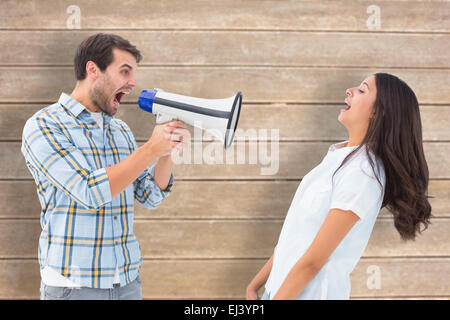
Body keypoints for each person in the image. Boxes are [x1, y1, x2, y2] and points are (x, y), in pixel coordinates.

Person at [21, 33, 190, 300]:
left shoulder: (120, 130)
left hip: (127, 285)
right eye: (125, 71)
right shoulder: (44, 125)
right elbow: (89, 191)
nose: (133, 82)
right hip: (73, 287)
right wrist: (150, 150)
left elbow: (149, 195)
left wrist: (166, 151)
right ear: (93, 70)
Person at [247, 73, 432, 300]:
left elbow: (314, 261)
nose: (350, 91)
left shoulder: (363, 174)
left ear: (379, 111)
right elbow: (297, 236)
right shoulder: (340, 157)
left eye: (362, 90)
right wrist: (256, 285)